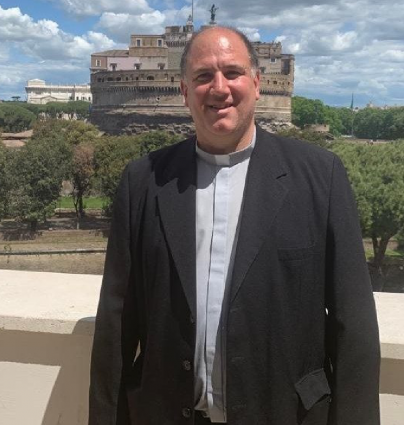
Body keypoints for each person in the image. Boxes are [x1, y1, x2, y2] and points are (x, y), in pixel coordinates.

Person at [89, 26, 380, 425]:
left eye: (232, 73)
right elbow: (116, 322)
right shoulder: (142, 181)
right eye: (203, 76)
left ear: (258, 84)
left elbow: (354, 323)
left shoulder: (320, 176)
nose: (219, 88)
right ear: (184, 91)